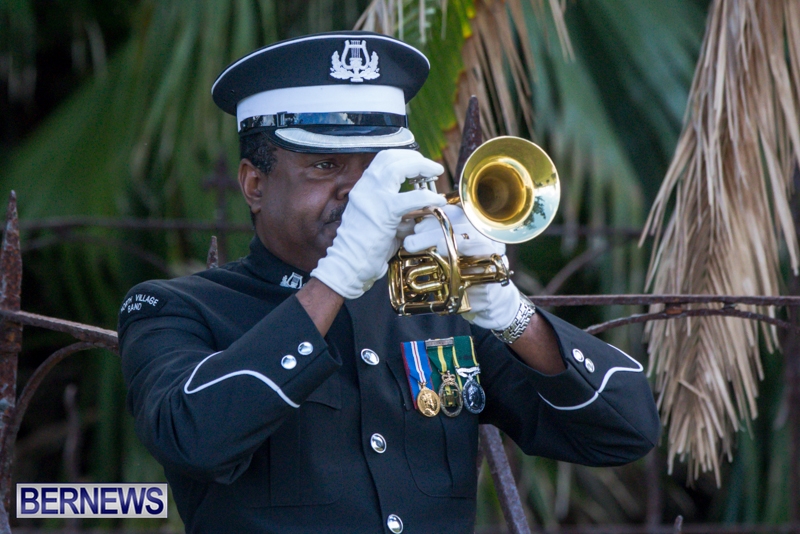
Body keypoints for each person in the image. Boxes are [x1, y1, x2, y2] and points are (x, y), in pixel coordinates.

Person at [118, 31, 660, 533]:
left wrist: (509, 311)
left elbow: (626, 431)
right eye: (326, 167)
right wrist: (336, 279)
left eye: (376, 167)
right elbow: (193, 437)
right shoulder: (172, 309)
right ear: (254, 185)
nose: (360, 193)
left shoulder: (437, 308)